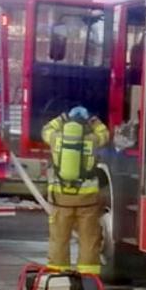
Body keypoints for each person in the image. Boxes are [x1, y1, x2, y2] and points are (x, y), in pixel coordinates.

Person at [41, 105, 111, 274]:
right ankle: (88, 278)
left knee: (59, 239)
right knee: (89, 240)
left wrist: (62, 118)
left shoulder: (56, 138)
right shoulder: (92, 140)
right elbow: (105, 134)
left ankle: (58, 275)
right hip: (87, 201)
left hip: (61, 200)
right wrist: (93, 121)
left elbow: (46, 130)